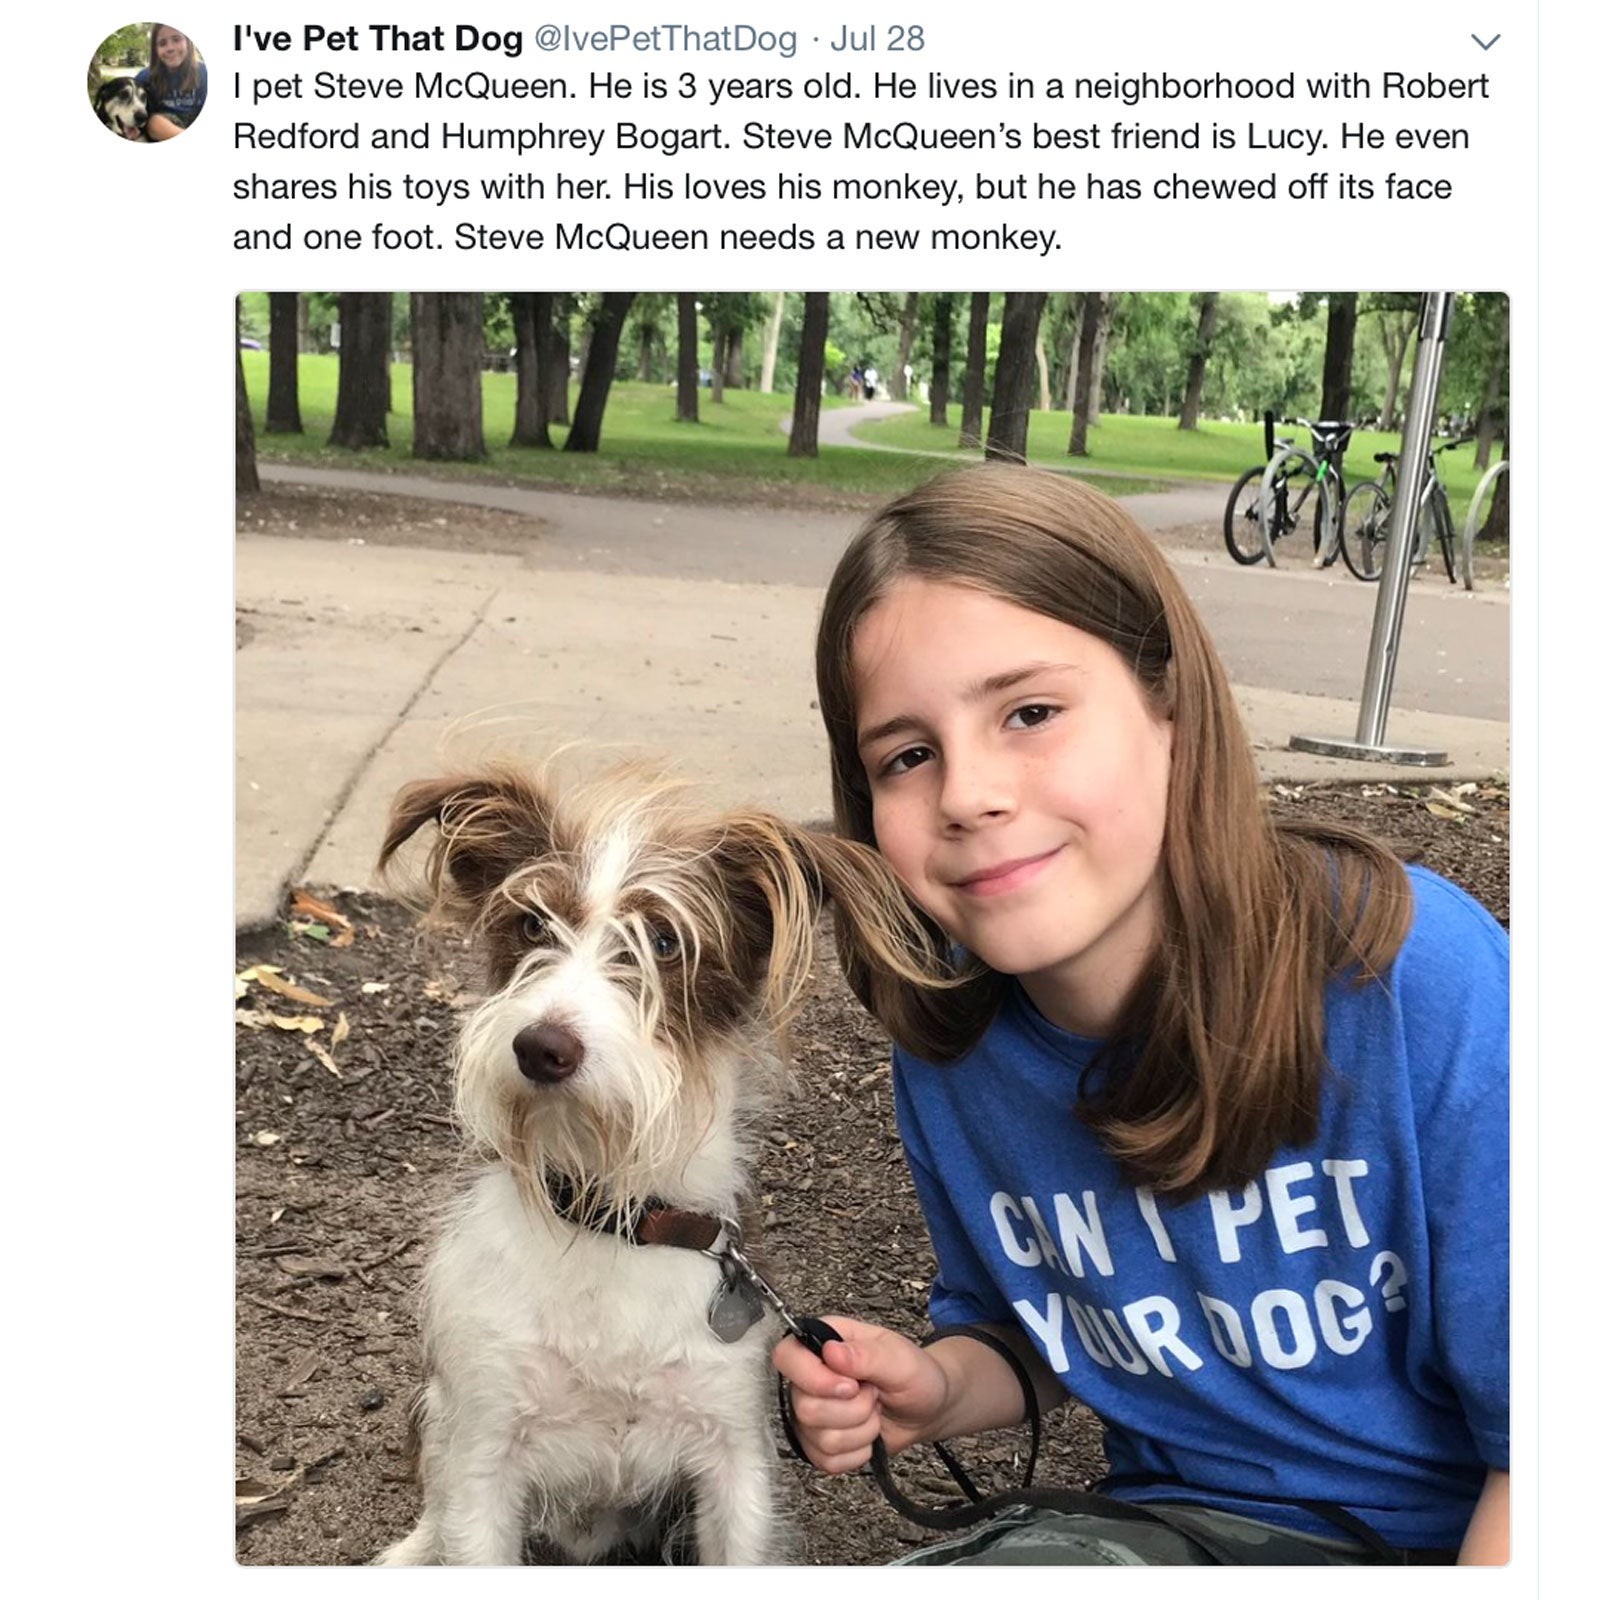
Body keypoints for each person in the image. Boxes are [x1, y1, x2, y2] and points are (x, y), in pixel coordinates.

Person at [777, 465, 1509, 1566]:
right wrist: (934, 1388)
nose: (968, 793)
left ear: (1169, 707)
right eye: (908, 754)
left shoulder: (1413, 977)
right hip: (1168, 1531)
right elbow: (1038, 1332)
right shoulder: (957, 1045)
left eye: (1029, 712)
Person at [136, 25, 207, 141]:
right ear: (155, 50)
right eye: (162, 43)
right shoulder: (144, 77)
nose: (170, 48)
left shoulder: (204, 73)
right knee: (154, 122)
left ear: (188, 42)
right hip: (164, 127)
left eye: (176, 39)